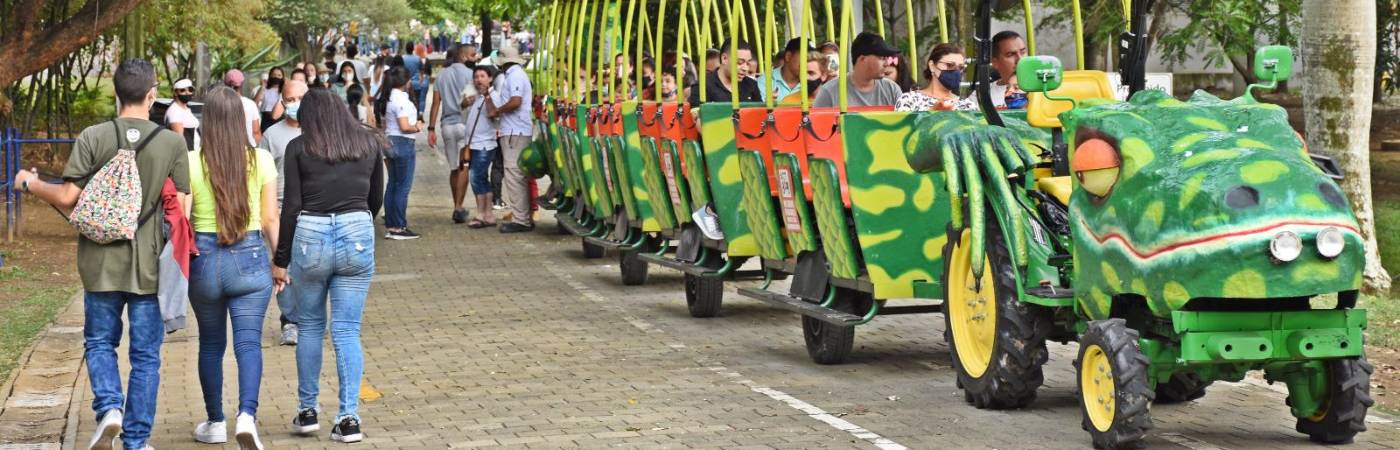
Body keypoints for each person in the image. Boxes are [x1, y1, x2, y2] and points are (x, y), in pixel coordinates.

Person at [11, 58, 191, 450]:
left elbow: (67, 197)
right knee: (145, 357)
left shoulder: (94, 136)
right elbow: (182, 210)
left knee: (98, 343)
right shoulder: (172, 143)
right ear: (152, 95)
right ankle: (137, 442)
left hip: (99, 262)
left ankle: (109, 406)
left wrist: (30, 183)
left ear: (115, 93)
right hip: (148, 267)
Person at [272, 89, 385, 445]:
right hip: (356, 229)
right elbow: (376, 197)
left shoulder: (298, 148)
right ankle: (349, 418)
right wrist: (358, 224)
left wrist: (281, 259)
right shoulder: (368, 144)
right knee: (347, 330)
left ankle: (308, 412)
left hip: (311, 235)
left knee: (309, 327)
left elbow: (290, 206)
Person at [184, 86, 279, 450]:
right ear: (241, 121)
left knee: (210, 344)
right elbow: (270, 218)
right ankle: (247, 417)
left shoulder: (192, 161)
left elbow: (184, 216)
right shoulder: (262, 159)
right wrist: (280, 262)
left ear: (205, 121)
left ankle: (214, 422)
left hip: (204, 258)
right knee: (248, 343)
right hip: (250, 255)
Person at [256, 79, 306, 345]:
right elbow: (261, 176)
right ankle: (290, 320)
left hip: (310, 211)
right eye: (290, 99)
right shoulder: (271, 136)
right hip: (278, 210)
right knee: (280, 264)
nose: (295, 104)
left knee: (309, 268)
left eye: (300, 98)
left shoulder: (318, 132)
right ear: (282, 101)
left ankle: (310, 318)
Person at [426, 45, 476, 224]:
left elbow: (435, 104)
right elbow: (471, 101)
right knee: (464, 166)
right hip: (464, 125)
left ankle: (457, 205)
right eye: (472, 54)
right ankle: (458, 206)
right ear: (463, 56)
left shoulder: (442, 75)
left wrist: (431, 128)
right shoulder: (471, 75)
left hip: (446, 126)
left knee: (454, 167)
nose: (474, 57)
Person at [489, 44, 536, 233]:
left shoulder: (515, 75)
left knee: (514, 175)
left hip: (515, 132)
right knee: (518, 175)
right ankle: (523, 216)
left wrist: (498, 110)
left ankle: (521, 219)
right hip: (516, 131)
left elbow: (515, 101)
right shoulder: (515, 75)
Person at [375, 66, 421, 239]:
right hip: (403, 143)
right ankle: (398, 227)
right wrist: (416, 127)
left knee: (393, 184)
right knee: (402, 186)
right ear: (406, 81)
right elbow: (404, 126)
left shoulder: (387, 97)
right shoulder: (401, 99)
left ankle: (391, 224)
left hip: (390, 142)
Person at [813, 32, 903, 108]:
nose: (887, 63)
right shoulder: (829, 92)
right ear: (863, 59)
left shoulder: (892, 90)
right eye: (882, 58)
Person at [463, 65, 499, 228]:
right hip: (475, 143)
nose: (479, 80)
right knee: (482, 178)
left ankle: (481, 213)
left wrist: (487, 97)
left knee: (476, 177)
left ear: (490, 78)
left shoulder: (494, 96)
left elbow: (494, 114)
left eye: (482, 76)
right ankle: (488, 214)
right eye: (476, 77)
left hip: (485, 143)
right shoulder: (477, 96)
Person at [897, 43, 977, 112]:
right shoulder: (909, 100)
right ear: (932, 66)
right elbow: (904, 128)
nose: (956, 71)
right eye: (949, 65)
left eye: (960, 67)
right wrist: (932, 112)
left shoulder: (967, 105)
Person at [688, 39, 762, 105]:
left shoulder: (751, 85)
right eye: (739, 62)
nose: (745, 68)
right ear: (724, 58)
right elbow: (700, 117)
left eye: (748, 63)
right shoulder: (703, 86)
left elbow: (760, 115)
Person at [754, 38, 810, 104]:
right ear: (788, 56)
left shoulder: (813, 82)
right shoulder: (765, 81)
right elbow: (759, 111)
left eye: (812, 59)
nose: (809, 63)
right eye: (806, 58)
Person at [989, 30, 1029, 109]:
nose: (1020, 59)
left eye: (1023, 52)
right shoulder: (982, 95)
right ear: (995, 62)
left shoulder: (1044, 89)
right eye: (1010, 54)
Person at [223, 70, 263, 147]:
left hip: (224, 149)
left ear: (225, 84)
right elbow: (256, 131)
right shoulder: (250, 104)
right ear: (242, 84)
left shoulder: (219, 103)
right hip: (247, 149)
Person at [167, 78, 201, 149]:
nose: (187, 92)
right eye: (182, 90)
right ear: (176, 93)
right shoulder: (175, 111)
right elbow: (179, 142)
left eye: (190, 89)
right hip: (187, 156)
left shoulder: (186, 109)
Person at [400, 41, 426, 115]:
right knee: (416, 101)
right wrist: (421, 82)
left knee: (405, 102)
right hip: (416, 84)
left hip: (404, 84)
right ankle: (416, 117)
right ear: (413, 49)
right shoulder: (418, 59)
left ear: (406, 48)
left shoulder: (403, 58)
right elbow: (422, 72)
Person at [256, 67, 283, 132]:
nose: (276, 77)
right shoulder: (264, 89)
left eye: (279, 75)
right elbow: (255, 103)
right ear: (270, 76)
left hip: (280, 119)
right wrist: (262, 87)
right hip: (266, 119)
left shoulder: (284, 90)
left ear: (282, 77)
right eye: (274, 75)